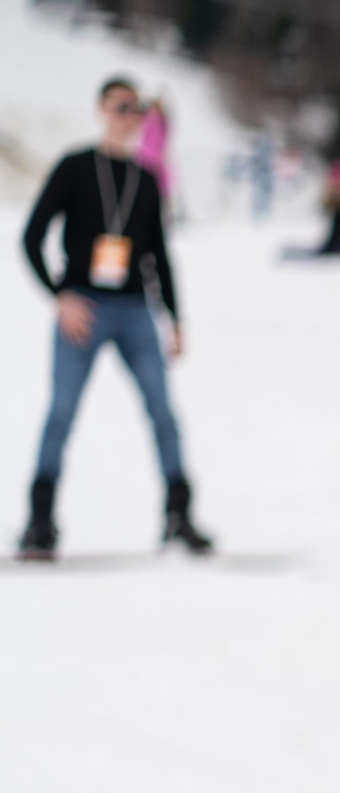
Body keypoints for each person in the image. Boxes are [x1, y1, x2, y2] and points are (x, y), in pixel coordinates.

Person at [17, 75, 211, 560]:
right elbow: (32, 237)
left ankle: (179, 514)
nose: (128, 117)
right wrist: (60, 295)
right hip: (83, 305)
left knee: (163, 411)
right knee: (61, 412)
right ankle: (41, 520)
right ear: (101, 109)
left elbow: (160, 255)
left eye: (137, 110)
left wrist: (175, 317)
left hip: (133, 309)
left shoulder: (146, 179)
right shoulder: (75, 168)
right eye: (120, 107)